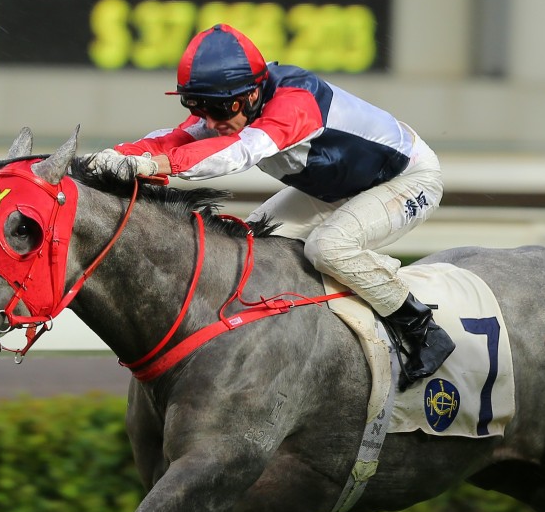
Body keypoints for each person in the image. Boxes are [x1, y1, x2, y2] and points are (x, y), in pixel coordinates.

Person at [79, 23, 453, 388]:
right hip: (337, 187)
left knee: (329, 248)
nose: (211, 121)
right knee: (252, 245)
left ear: (253, 94)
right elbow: (174, 139)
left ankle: (423, 329)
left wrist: (153, 166)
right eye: (199, 108)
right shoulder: (232, 104)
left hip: (405, 179)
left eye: (220, 109)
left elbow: (239, 152)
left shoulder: (295, 103)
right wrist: (112, 157)